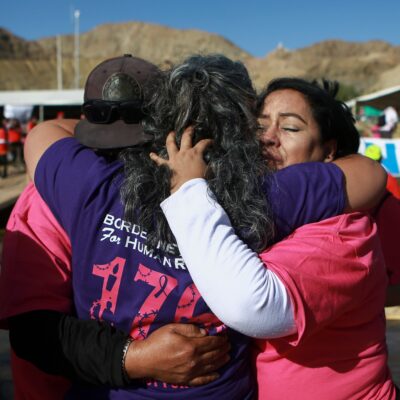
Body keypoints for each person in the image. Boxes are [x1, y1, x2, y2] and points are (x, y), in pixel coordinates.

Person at [22, 54, 388, 399]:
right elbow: (370, 174)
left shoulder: (89, 181)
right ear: (243, 129)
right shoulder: (266, 195)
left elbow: (42, 135)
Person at [150, 78, 397, 399]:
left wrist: (189, 192)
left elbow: (255, 305)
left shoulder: (344, 232)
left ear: (330, 151)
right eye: (259, 126)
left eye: (290, 128)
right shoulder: (248, 208)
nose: (268, 138)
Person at [0, 55, 230, 399]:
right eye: (109, 147)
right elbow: (33, 331)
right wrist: (135, 359)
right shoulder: (47, 198)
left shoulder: (195, 184)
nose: (121, 156)